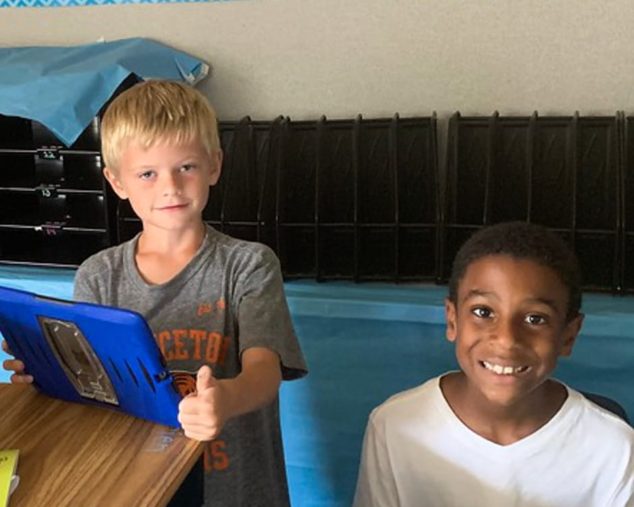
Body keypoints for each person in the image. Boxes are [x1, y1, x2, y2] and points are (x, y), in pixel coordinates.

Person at [2, 80, 307, 507]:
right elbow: (92, 390)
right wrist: (47, 371)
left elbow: (265, 370)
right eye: (148, 173)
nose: (170, 187)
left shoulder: (248, 265)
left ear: (214, 165)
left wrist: (227, 397)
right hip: (139, 485)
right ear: (116, 181)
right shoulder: (99, 275)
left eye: (186, 167)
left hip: (235, 489)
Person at [353, 221, 634, 507]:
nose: (506, 340)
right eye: (483, 311)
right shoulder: (395, 426)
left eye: (535, 318)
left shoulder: (614, 448)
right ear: (452, 320)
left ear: (568, 336)